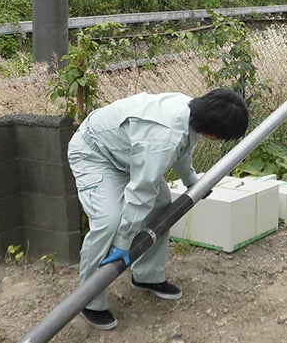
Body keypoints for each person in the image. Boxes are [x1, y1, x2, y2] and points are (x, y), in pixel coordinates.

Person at [68, 89, 249, 330]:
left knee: (163, 205)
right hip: (95, 154)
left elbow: (183, 151)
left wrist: (191, 181)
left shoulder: (191, 114)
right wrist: (123, 243)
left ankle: (147, 276)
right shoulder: (163, 136)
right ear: (214, 133)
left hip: (126, 155)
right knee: (109, 221)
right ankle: (89, 300)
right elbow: (141, 191)